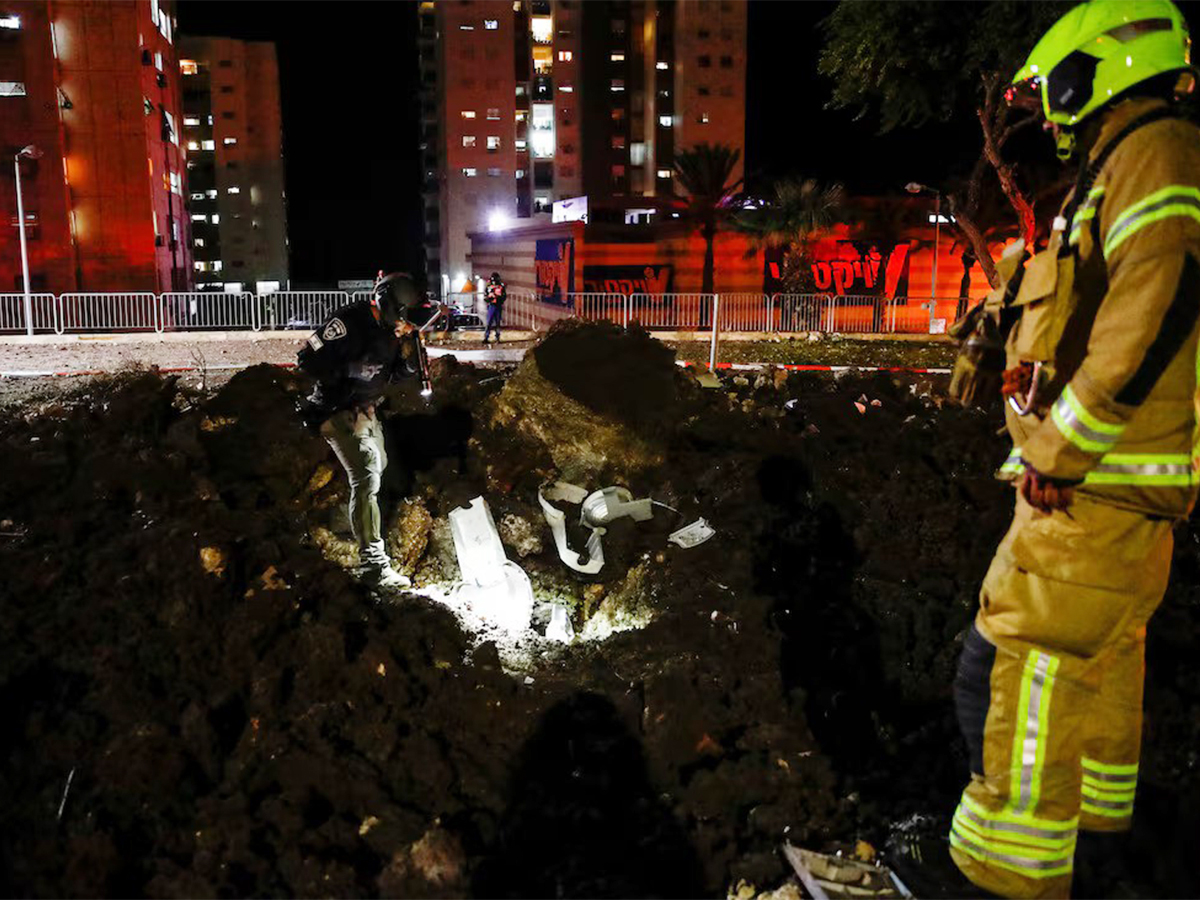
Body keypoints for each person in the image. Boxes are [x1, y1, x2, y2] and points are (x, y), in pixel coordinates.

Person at [947, 3, 1200, 897]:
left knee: (1009, 670)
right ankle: (1096, 859)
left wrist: (1059, 449)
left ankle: (1003, 878)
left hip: (1091, 491)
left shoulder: (1153, 156)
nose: (1050, 113)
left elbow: (1151, 305)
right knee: (1094, 675)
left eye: (1054, 90)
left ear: (1097, 68)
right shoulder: (1135, 160)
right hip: (1121, 494)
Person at [297, 272, 423, 589]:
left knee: (377, 469)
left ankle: (353, 519)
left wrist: (409, 362)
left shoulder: (392, 333)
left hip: (367, 409)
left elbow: (390, 375)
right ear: (385, 302)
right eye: (400, 313)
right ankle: (374, 564)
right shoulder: (348, 322)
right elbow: (307, 359)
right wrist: (350, 369)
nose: (402, 322)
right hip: (334, 409)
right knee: (367, 475)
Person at [483, 271, 506, 344]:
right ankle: (486, 337)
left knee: (497, 323)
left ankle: (497, 337)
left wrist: (498, 297)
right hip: (491, 305)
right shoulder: (489, 287)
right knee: (489, 322)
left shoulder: (501, 287)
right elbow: (485, 296)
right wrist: (489, 298)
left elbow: (504, 296)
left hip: (498, 305)